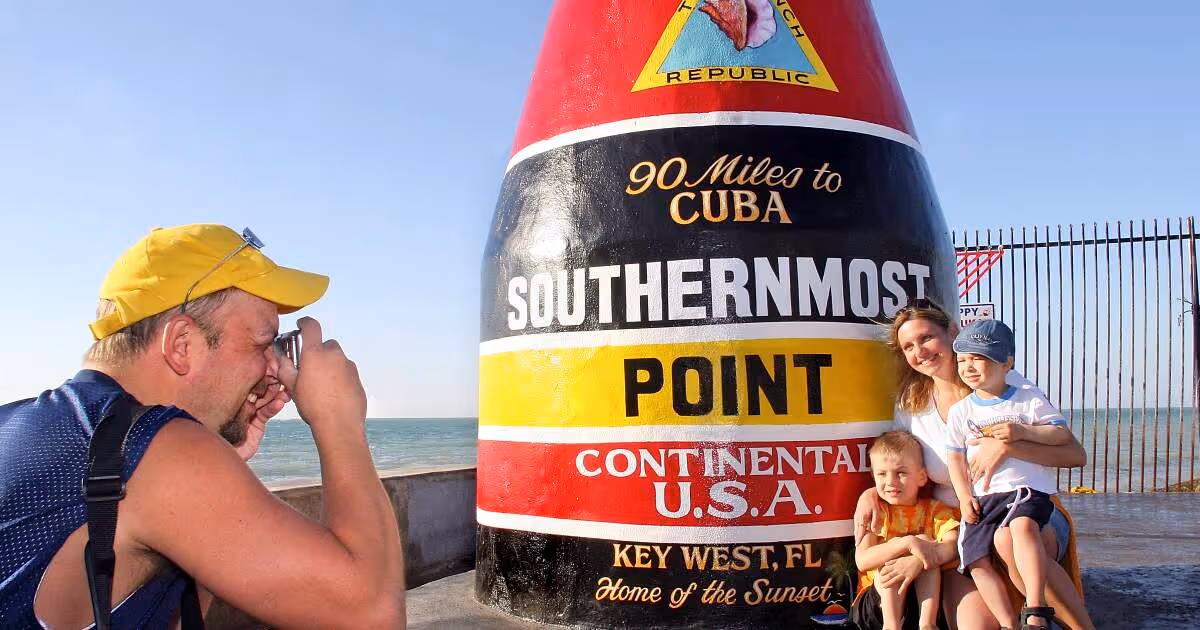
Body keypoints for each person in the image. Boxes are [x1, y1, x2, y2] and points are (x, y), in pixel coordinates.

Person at [0, 224, 406, 628]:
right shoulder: (155, 448)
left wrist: (219, 458)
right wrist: (338, 419)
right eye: (262, 344)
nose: (274, 370)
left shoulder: (36, 424)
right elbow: (373, 615)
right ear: (182, 345)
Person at [853, 300, 1093, 630]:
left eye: (926, 338)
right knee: (974, 625)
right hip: (961, 525)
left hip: (1027, 507)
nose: (919, 352)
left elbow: (1074, 456)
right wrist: (872, 494)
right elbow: (899, 462)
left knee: (1009, 541)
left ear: (952, 331)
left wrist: (1008, 446)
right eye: (909, 346)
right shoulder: (911, 405)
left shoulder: (1001, 383)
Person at [945, 319, 1080, 630]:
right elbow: (955, 456)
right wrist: (965, 496)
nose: (969, 367)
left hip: (1024, 490)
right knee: (973, 557)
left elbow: (1061, 436)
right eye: (963, 359)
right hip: (984, 497)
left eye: (980, 358)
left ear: (1007, 363)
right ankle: (1009, 623)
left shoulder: (1026, 398)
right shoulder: (961, 411)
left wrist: (1021, 432)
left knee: (1020, 529)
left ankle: (1036, 608)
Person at [853, 431, 960, 630]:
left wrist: (918, 557)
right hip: (876, 604)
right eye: (882, 474)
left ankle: (928, 625)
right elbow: (862, 561)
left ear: (921, 477)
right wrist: (906, 543)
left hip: (920, 603)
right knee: (902, 551)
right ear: (873, 477)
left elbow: (952, 547)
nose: (891, 481)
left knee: (927, 549)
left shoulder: (935, 510)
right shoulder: (876, 512)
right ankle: (891, 626)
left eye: (900, 473)